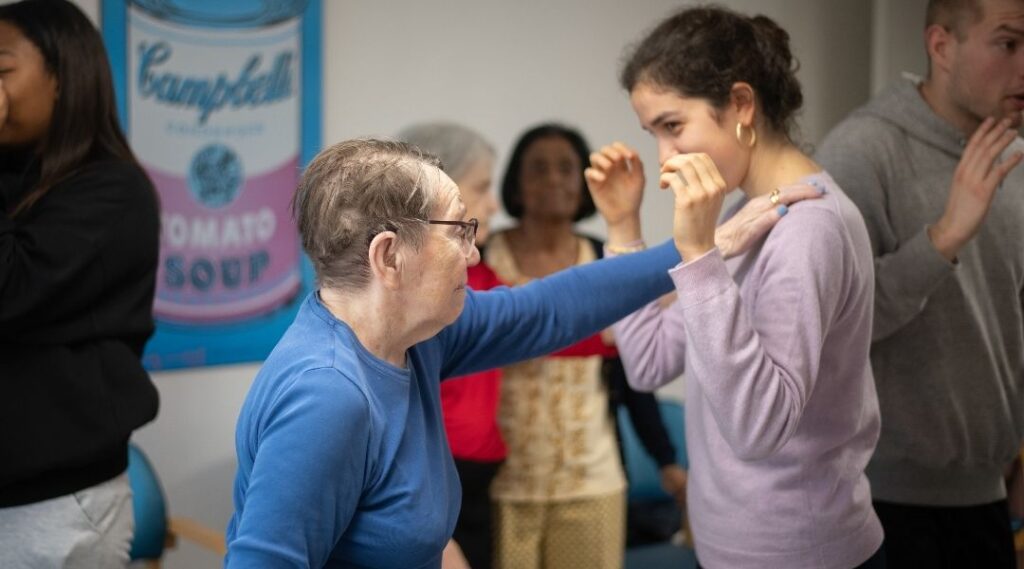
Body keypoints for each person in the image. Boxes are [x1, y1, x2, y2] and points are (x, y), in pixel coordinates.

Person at [223, 137, 790, 568]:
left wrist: (697, 250)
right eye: (457, 232)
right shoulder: (328, 395)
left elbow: (547, 309)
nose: (473, 255)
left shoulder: (415, 339)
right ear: (388, 256)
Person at [585, 6, 884, 568]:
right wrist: (624, 227)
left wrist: (699, 254)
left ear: (741, 105)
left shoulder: (809, 226)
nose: (664, 157)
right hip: (732, 547)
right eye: (653, 133)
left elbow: (758, 428)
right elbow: (647, 363)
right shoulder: (750, 214)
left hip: (799, 552)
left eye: (673, 127)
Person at [815, 0, 1024, 566]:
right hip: (881, 501)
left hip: (987, 493)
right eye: (1009, 44)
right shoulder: (861, 151)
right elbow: (834, 326)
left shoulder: (1013, 152)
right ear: (941, 46)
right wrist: (943, 238)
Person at [0, 1, 161, 567]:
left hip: (50, 505)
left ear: (64, 79)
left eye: (0, 70)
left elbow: (8, 290)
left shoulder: (111, 192)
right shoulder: (11, 176)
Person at [486, 122, 686, 569]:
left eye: (566, 169)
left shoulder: (606, 257)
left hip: (591, 481)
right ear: (516, 183)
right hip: (501, 484)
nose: (553, 179)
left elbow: (637, 370)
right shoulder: (482, 257)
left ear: (584, 185)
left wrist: (667, 461)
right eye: (538, 169)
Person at [397, 121, 502, 569]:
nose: (493, 205)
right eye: (481, 188)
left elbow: (535, 320)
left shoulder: (482, 274)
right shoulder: (423, 293)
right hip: (439, 475)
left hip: (478, 473)